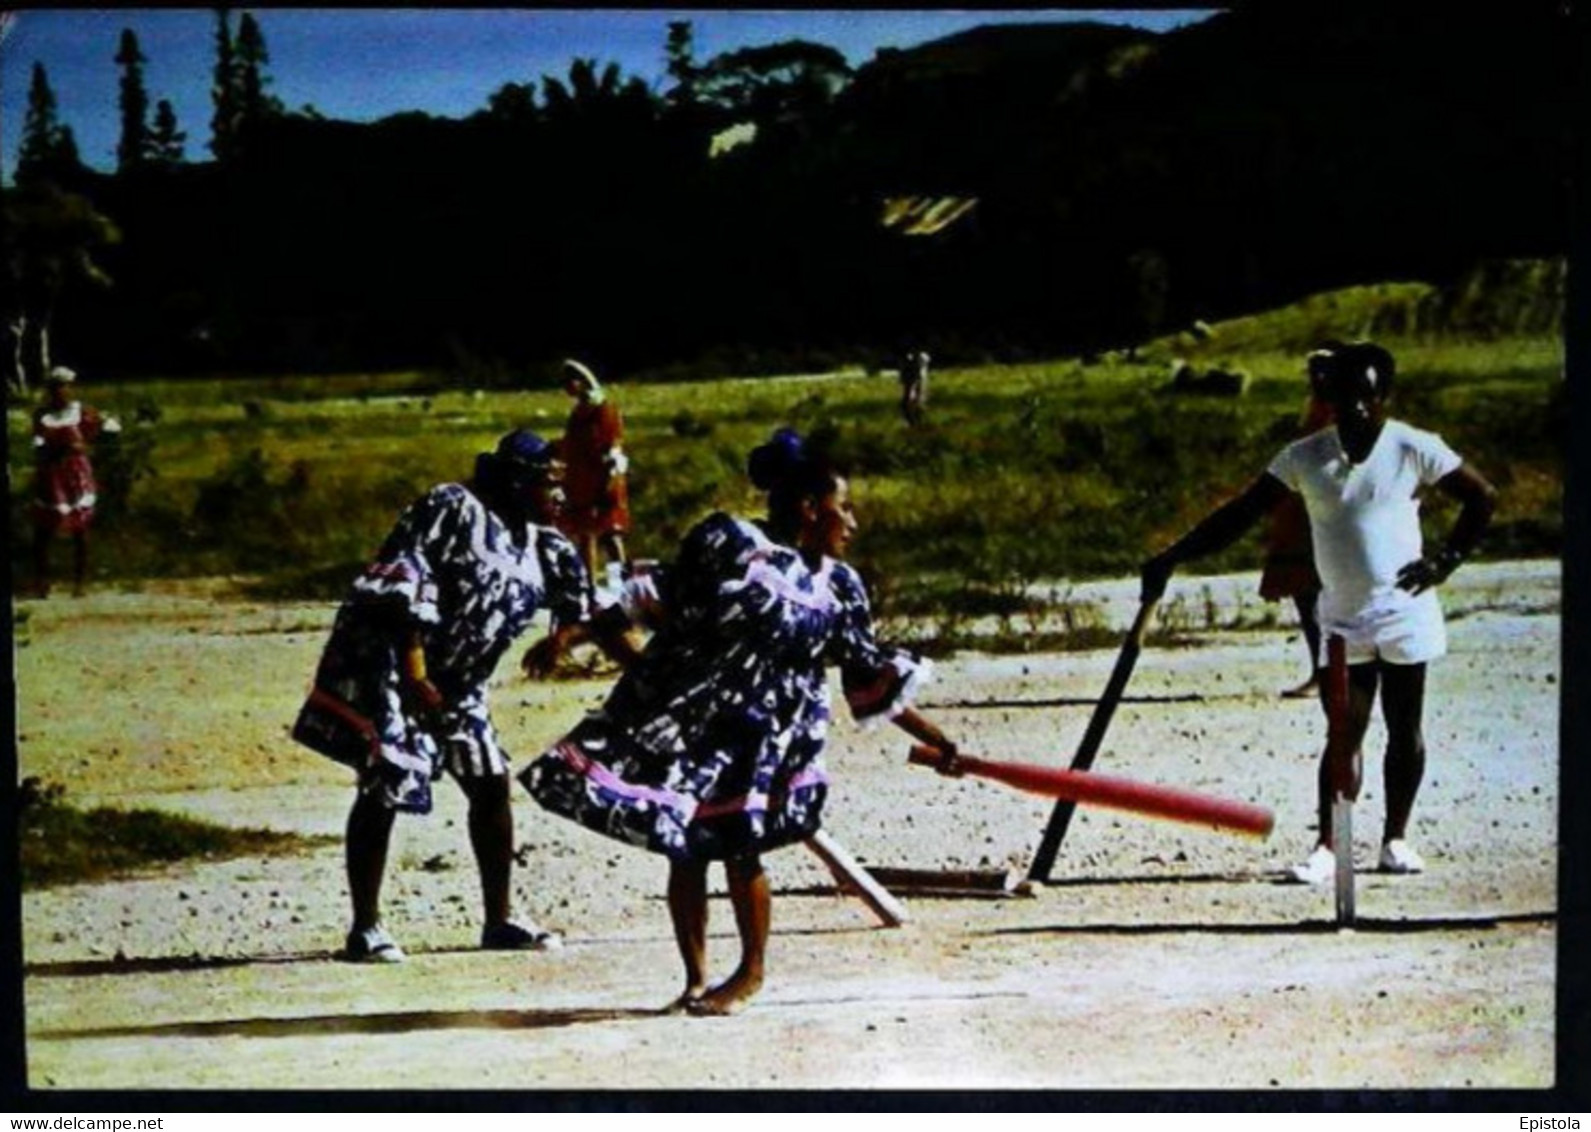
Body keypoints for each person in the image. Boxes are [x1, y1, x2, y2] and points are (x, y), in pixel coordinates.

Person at [521, 427, 963, 1015]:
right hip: (701, 726)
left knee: (741, 849)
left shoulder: (840, 589)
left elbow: (868, 675)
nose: (852, 523)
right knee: (686, 847)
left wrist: (937, 739)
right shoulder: (730, 544)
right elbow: (650, 600)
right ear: (809, 508)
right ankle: (695, 980)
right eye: (844, 508)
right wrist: (596, 648)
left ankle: (749, 974)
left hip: (770, 742)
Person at [1140, 342, 1496, 884]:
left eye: (1367, 397)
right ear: (1328, 396)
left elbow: (1482, 497)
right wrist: (1173, 555)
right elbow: (1240, 513)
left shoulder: (1412, 447)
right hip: (1344, 618)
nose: (1355, 408)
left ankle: (1395, 840)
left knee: (1405, 728)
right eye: (1345, 396)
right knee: (1343, 730)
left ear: (1384, 397)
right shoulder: (1305, 456)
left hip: (1405, 613)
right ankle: (1330, 845)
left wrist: (1445, 561)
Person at [292, 429, 595, 962]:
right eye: (549, 485)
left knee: (490, 786)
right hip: (404, 675)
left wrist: (560, 640)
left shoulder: (541, 543)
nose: (558, 496)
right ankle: (366, 927)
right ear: (518, 482)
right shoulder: (452, 508)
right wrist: (413, 674)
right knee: (384, 784)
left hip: (461, 687)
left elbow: (583, 606)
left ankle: (499, 918)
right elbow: (405, 579)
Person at [1258, 356, 1337, 699]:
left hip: (1325, 514)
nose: (1317, 377)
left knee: (1329, 597)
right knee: (1308, 597)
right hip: (1301, 512)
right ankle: (1323, 672)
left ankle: (1336, 674)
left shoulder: (1344, 413)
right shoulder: (1316, 409)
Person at [30, 365, 120, 598]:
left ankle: (80, 582)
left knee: (81, 527)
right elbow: (38, 441)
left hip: (76, 472)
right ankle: (42, 582)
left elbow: (106, 430)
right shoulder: (42, 415)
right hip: (52, 472)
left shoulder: (82, 412)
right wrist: (46, 448)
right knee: (45, 527)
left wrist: (89, 445)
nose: (62, 391)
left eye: (66, 386)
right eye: (57, 387)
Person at [556, 358, 630, 582]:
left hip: (602, 479)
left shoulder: (603, 410)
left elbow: (610, 444)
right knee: (585, 535)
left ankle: (622, 582)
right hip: (581, 481)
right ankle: (590, 584)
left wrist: (608, 478)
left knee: (610, 533)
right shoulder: (579, 413)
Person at [898, 349, 930, 426]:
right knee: (910, 401)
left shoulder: (918, 366)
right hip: (912, 384)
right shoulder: (912, 364)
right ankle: (912, 421)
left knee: (913, 402)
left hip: (914, 384)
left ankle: (913, 421)